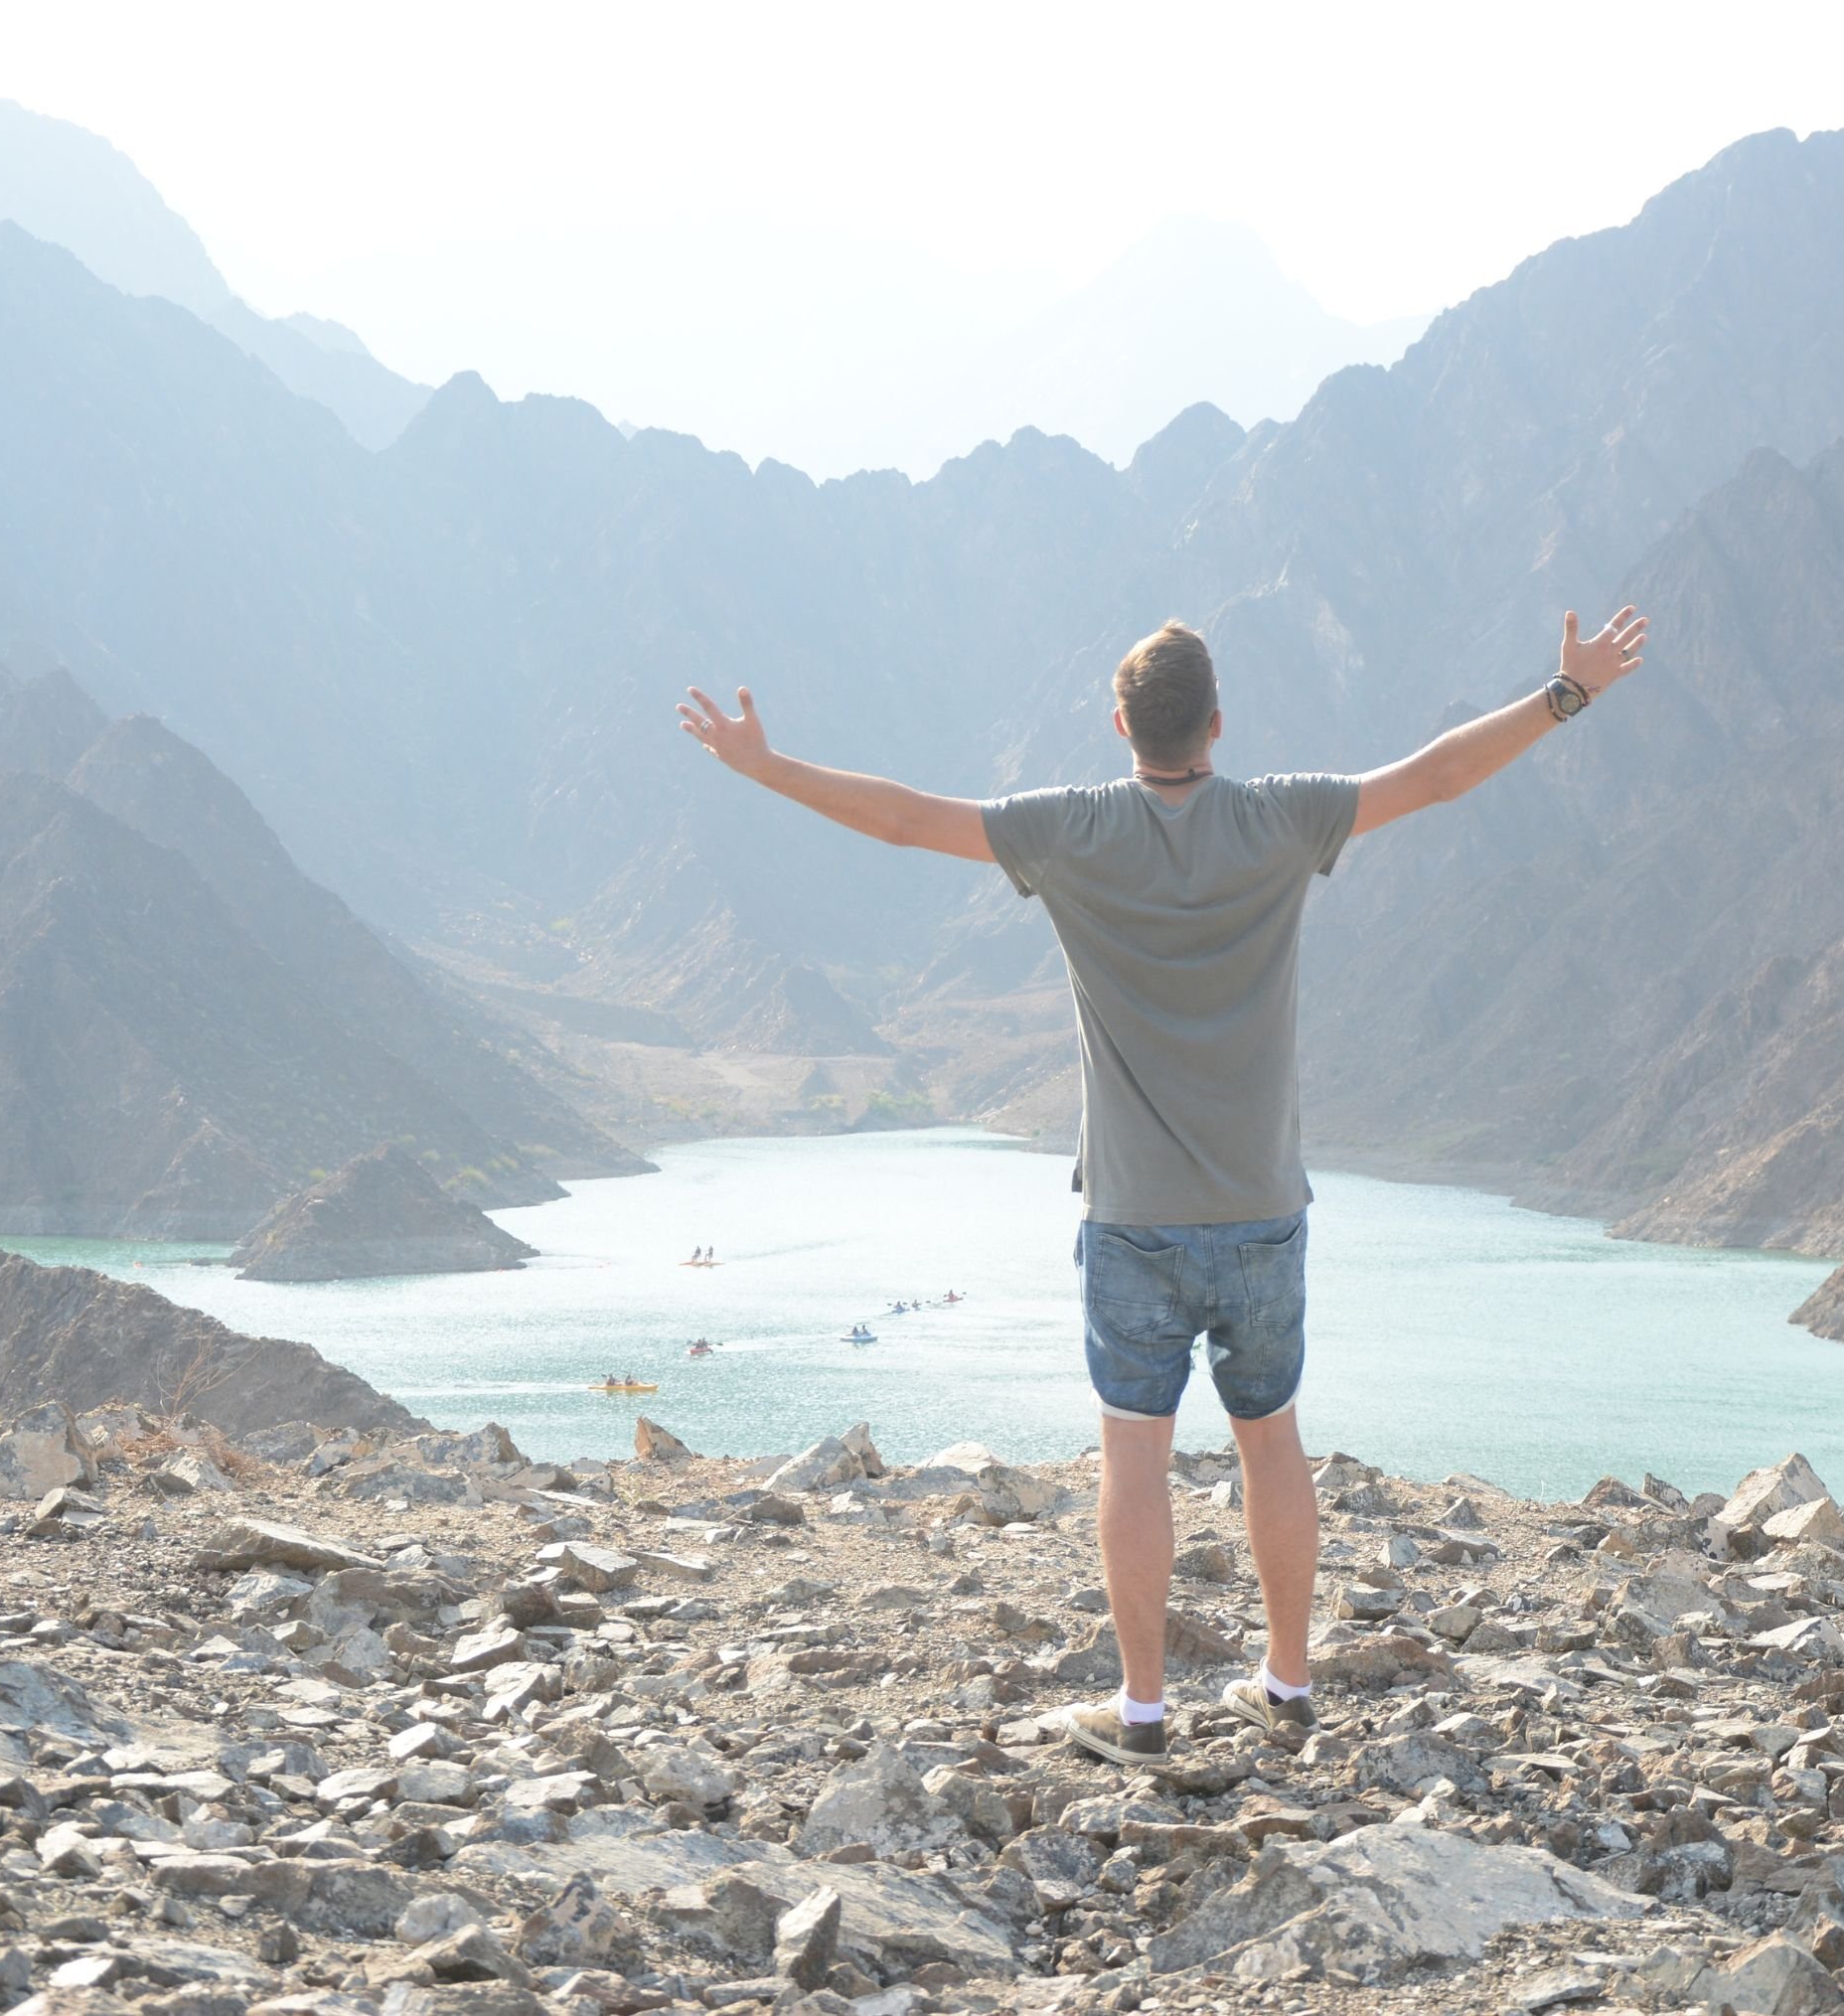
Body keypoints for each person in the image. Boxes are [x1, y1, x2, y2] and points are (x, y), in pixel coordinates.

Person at [678, 603, 1648, 1765]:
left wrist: (764, 764)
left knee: (1134, 1451)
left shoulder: (1070, 831)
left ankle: (1142, 1714)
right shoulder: (1282, 817)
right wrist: (1566, 694)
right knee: (1270, 1436)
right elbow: (1437, 779)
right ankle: (1285, 1685)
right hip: (1263, 1211)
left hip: (1132, 1217)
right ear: (1218, 724)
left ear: (1120, 725)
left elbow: (898, 821)